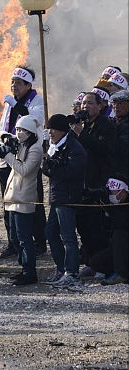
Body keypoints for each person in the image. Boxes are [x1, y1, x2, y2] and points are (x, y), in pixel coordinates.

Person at [0, 66, 45, 258]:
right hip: (8, 158)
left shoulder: (37, 101)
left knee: (33, 201)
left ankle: (39, 242)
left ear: (28, 85)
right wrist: (5, 138)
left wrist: (16, 106)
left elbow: (33, 120)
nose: (14, 86)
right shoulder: (9, 104)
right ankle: (12, 242)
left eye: (18, 82)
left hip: (29, 158)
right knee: (8, 202)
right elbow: (1, 128)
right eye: (12, 82)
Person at [73, 88, 117, 274]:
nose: (86, 106)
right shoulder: (82, 125)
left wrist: (81, 134)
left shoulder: (105, 124)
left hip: (98, 182)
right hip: (82, 181)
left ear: (101, 105)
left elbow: (103, 148)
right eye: (83, 103)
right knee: (83, 225)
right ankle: (90, 261)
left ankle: (102, 265)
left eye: (90, 103)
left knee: (97, 226)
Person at [41, 113, 88, 289]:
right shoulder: (54, 146)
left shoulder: (74, 148)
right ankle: (61, 268)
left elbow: (70, 173)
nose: (50, 132)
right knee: (51, 232)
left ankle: (72, 273)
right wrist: (49, 163)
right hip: (57, 196)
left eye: (53, 129)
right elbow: (48, 170)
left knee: (68, 237)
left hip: (68, 197)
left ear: (61, 130)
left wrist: (53, 166)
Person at [0, 114, 43, 286]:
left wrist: (7, 156)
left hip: (24, 197)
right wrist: (6, 139)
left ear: (30, 132)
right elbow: (0, 136)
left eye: (23, 130)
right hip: (13, 196)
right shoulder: (21, 144)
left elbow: (24, 170)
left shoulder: (35, 148)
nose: (19, 133)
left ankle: (29, 272)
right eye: (17, 129)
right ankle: (23, 268)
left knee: (24, 238)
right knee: (15, 237)